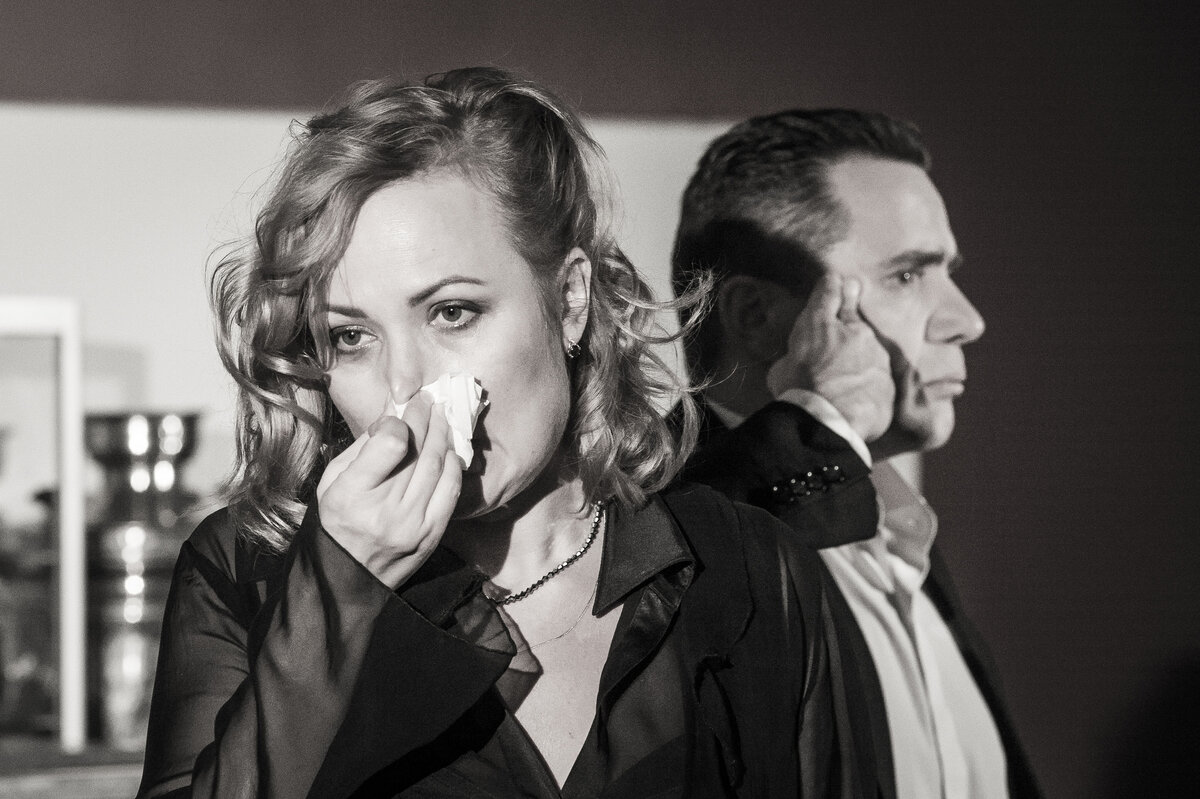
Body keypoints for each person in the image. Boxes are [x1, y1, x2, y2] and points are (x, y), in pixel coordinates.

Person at [135, 68, 865, 799]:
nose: (404, 387)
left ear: (570, 299)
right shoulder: (250, 572)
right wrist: (337, 596)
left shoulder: (745, 565)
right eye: (352, 337)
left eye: (452, 313)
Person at [672, 109, 1043, 799]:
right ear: (757, 317)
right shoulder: (653, 546)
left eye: (947, 271)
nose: (967, 319)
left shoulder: (908, 541)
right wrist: (816, 425)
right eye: (907, 276)